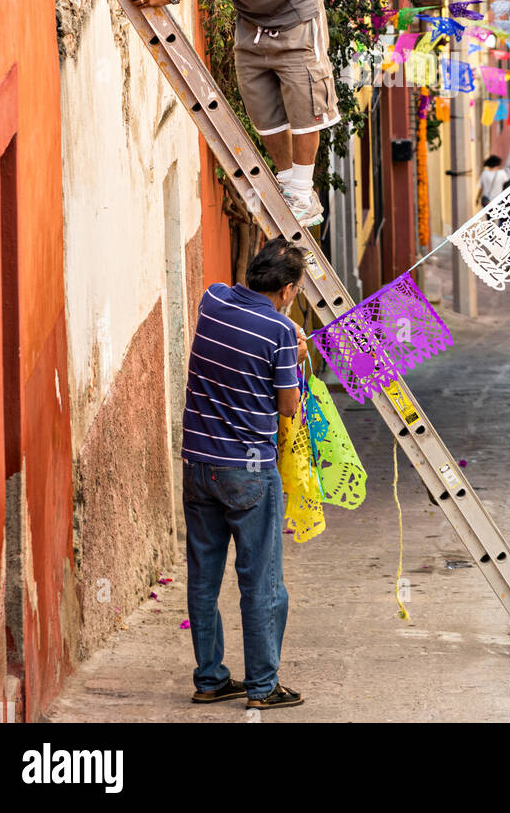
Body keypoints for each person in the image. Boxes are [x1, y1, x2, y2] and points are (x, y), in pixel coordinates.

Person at [129, 0, 339, 227]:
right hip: (252, 18)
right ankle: (291, 183)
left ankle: (303, 193)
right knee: (262, 109)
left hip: (297, 16)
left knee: (306, 103)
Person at [181, 236, 308, 711]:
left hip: (198, 464)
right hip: (250, 472)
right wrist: (292, 353)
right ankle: (262, 686)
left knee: (203, 577)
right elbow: (288, 407)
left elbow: (243, 320)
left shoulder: (211, 299)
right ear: (290, 290)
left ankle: (210, 679)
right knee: (262, 581)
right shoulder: (277, 334)